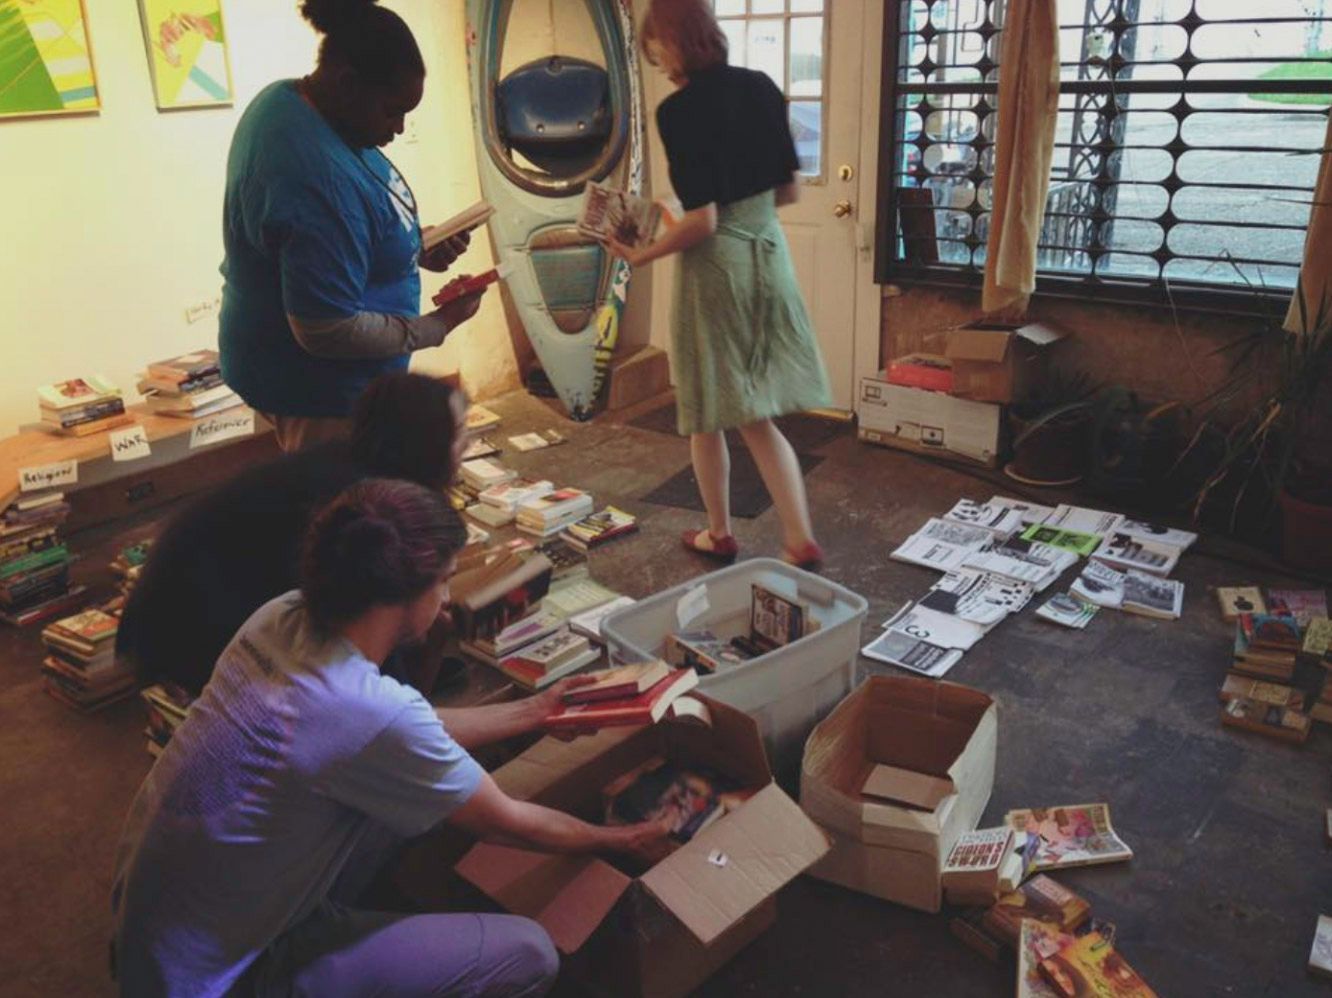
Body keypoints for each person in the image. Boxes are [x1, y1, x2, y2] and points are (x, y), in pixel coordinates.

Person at [112, 479, 669, 997]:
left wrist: (536, 711)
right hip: (223, 977)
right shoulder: (361, 710)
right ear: (402, 594)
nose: (448, 599)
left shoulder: (278, 618)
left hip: (152, 939)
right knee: (530, 953)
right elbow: (509, 822)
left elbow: (399, 734)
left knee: (399, 804)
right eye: (444, 581)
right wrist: (616, 841)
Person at [607, 0, 832, 571]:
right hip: (769, 255)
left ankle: (725, 531)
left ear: (673, 43)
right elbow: (788, 194)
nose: (656, 61)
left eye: (655, 49)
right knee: (748, 405)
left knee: (714, 404)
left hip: (718, 269)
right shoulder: (761, 86)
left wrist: (642, 252)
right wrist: (686, 210)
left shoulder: (679, 111)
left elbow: (704, 222)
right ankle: (792, 533)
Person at [219, 0, 483, 452]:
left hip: (305, 374)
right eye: (391, 110)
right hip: (319, 391)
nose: (399, 128)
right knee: (339, 506)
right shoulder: (314, 176)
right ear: (347, 84)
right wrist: (438, 325)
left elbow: (336, 237)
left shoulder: (289, 100)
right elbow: (326, 329)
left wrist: (413, 246)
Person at [117, 371, 470, 698]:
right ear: (427, 442)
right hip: (188, 624)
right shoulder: (362, 504)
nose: (467, 444)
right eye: (459, 432)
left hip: (179, 604)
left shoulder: (353, 463)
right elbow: (354, 617)